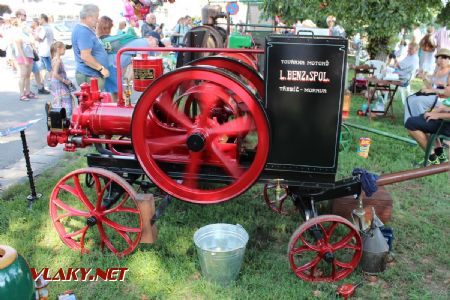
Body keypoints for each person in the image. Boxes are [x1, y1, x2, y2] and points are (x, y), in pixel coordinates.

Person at [404, 48, 450, 123]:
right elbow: (430, 87)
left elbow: (448, 93)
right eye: (439, 57)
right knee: (409, 99)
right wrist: (424, 78)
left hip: (444, 100)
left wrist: (433, 90)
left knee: (418, 101)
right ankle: (409, 122)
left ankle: (419, 123)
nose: (442, 59)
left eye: (445, 57)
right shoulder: (437, 70)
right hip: (433, 96)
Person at [72, 4, 109, 90]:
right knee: (94, 102)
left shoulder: (83, 29)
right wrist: (101, 69)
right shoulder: (84, 32)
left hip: (90, 75)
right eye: (96, 17)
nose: (98, 20)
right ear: (89, 17)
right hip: (90, 76)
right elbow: (85, 56)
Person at [13, 9, 35, 101]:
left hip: (29, 55)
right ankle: (22, 94)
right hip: (22, 56)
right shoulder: (17, 30)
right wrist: (24, 58)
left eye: (26, 15)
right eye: (24, 15)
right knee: (23, 75)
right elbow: (18, 46)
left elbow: (32, 41)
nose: (25, 17)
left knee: (28, 75)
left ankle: (28, 92)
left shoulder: (26, 31)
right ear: (18, 16)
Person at [49, 41, 73, 117]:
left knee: (59, 103)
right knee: (67, 104)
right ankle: (66, 120)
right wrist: (65, 81)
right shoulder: (57, 60)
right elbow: (55, 74)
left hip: (57, 84)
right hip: (60, 85)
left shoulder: (54, 59)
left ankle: (60, 121)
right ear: (58, 49)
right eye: (64, 48)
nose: (65, 50)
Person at [96, 15, 118, 96]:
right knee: (115, 93)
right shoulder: (112, 40)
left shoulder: (97, 39)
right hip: (111, 67)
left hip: (100, 68)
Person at [36, 14, 54, 83]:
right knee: (46, 68)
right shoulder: (49, 27)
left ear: (43, 19)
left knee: (48, 68)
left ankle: (52, 83)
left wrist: (36, 32)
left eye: (39, 19)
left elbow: (39, 38)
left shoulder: (44, 28)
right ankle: (42, 82)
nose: (38, 20)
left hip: (44, 51)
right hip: (47, 50)